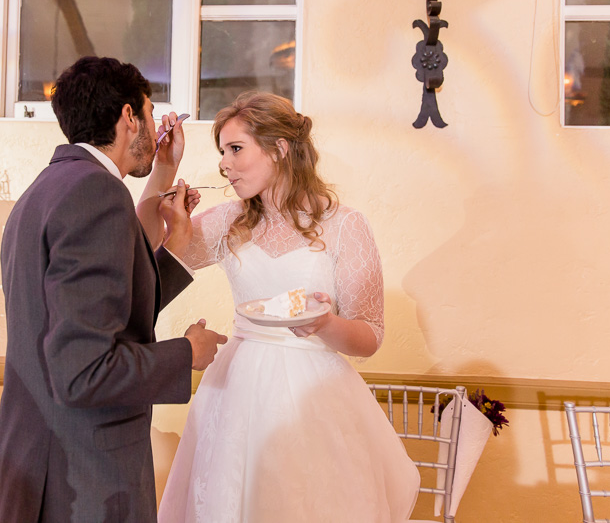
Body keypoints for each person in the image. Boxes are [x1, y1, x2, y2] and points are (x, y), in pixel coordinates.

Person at [157, 92, 420, 522]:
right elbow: (153, 273)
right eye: (222, 152)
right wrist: (172, 224)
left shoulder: (344, 225)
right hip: (236, 393)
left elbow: (370, 335)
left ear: (280, 149)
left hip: (316, 398)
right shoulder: (228, 220)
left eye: (236, 149)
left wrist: (326, 324)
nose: (224, 163)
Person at [0, 56, 228, 523]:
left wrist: (165, 182)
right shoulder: (96, 196)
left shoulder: (47, 190)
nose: (152, 125)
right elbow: (85, 370)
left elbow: (108, 305)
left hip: (41, 454)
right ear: (129, 117)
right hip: (83, 474)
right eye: (148, 112)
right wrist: (188, 352)